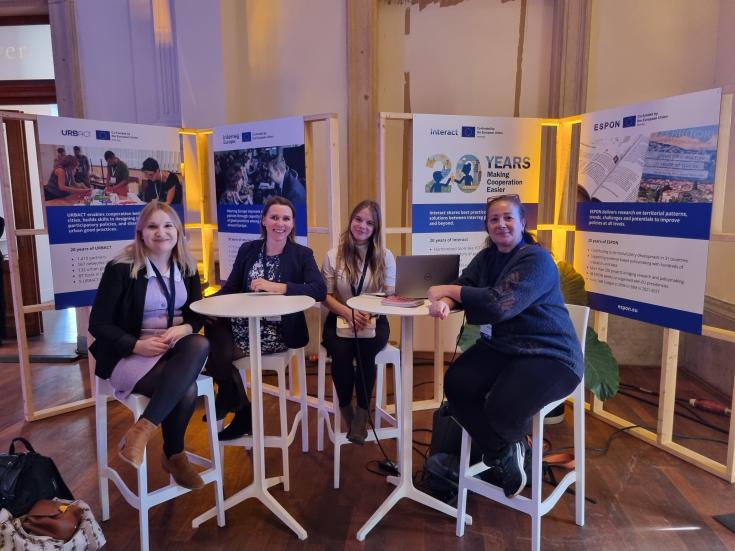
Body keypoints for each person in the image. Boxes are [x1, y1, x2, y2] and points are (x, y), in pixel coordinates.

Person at [427, 195, 584, 498]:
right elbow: (467, 282)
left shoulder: (536, 259)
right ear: (487, 225)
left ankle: (511, 452)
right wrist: (446, 301)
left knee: (502, 405)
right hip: (505, 348)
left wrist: (445, 289)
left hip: (551, 354)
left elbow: (498, 305)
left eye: (508, 218)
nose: (501, 224)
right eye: (494, 219)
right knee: (458, 383)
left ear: (523, 222)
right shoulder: (486, 258)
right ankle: (502, 454)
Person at [88, 201, 209, 489]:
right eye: (153, 226)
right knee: (187, 388)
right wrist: (134, 345)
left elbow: (196, 312)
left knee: (199, 342)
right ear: (141, 232)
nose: (161, 232)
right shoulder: (121, 268)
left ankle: (142, 430)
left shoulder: (186, 267)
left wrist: (185, 326)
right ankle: (174, 455)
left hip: (174, 350)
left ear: (177, 232)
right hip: (129, 354)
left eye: (168, 226)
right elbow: (99, 324)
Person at [206, 196, 327, 440]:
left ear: (292, 224)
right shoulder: (248, 249)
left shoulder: (302, 254)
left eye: (285, 218)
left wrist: (278, 287)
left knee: (216, 350)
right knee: (210, 329)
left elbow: (319, 289)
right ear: (263, 221)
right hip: (241, 324)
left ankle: (236, 404)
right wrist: (206, 304)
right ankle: (240, 404)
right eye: (274, 217)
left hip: (277, 331)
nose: (279, 223)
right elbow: (230, 288)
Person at [321, 200, 395, 444]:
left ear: (376, 228)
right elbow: (326, 296)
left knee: (367, 350)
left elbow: (389, 294)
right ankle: (346, 409)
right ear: (351, 220)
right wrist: (347, 312)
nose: (362, 226)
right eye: (358, 219)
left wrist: (365, 312)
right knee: (340, 351)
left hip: (374, 318)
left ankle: (362, 412)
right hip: (340, 316)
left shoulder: (386, 256)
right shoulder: (333, 256)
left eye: (369, 222)